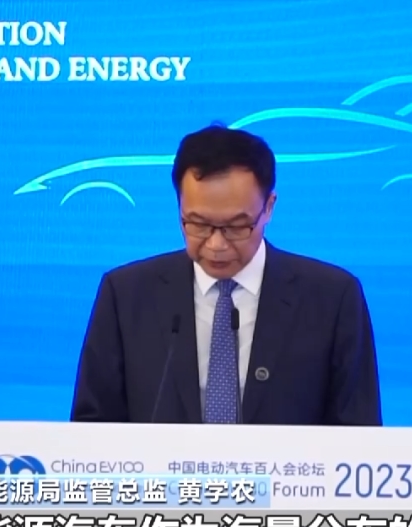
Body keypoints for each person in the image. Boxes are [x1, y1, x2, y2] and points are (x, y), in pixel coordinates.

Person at [70, 125, 382, 425]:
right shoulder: (126, 296)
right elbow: (91, 429)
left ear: (269, 207)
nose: (216, 245)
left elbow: (358, 434)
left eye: (236, 227)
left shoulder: (332, 299)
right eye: (198, 224)